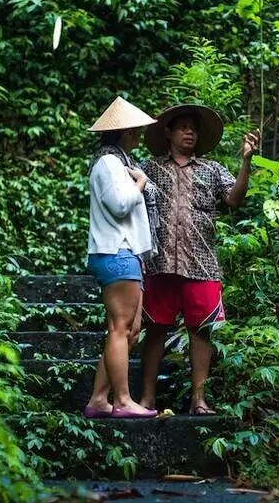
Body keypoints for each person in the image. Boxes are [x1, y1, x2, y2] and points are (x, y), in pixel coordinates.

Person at [138, 104, 260, 415]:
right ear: (169, 132)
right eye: (183, 127)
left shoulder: (212, 169)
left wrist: (246, 161)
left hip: (202, 261)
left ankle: (199, 399)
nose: (190, 132)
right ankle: (147, 398)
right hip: (158, 260)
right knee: (154, 328)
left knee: (200, 329)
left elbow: (234, 198)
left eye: (194, 128)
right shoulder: (148, 168)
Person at [83, 96, 160, 419]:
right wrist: (140, 183)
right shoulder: (109, 163)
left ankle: (100, 399)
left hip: (125, 251)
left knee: (129, 330)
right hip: (116, 250)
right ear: (123, 132)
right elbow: (119, 204)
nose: (139, 134)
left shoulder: (120, 160)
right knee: (120, 327)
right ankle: (124, 400)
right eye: (135, 130)